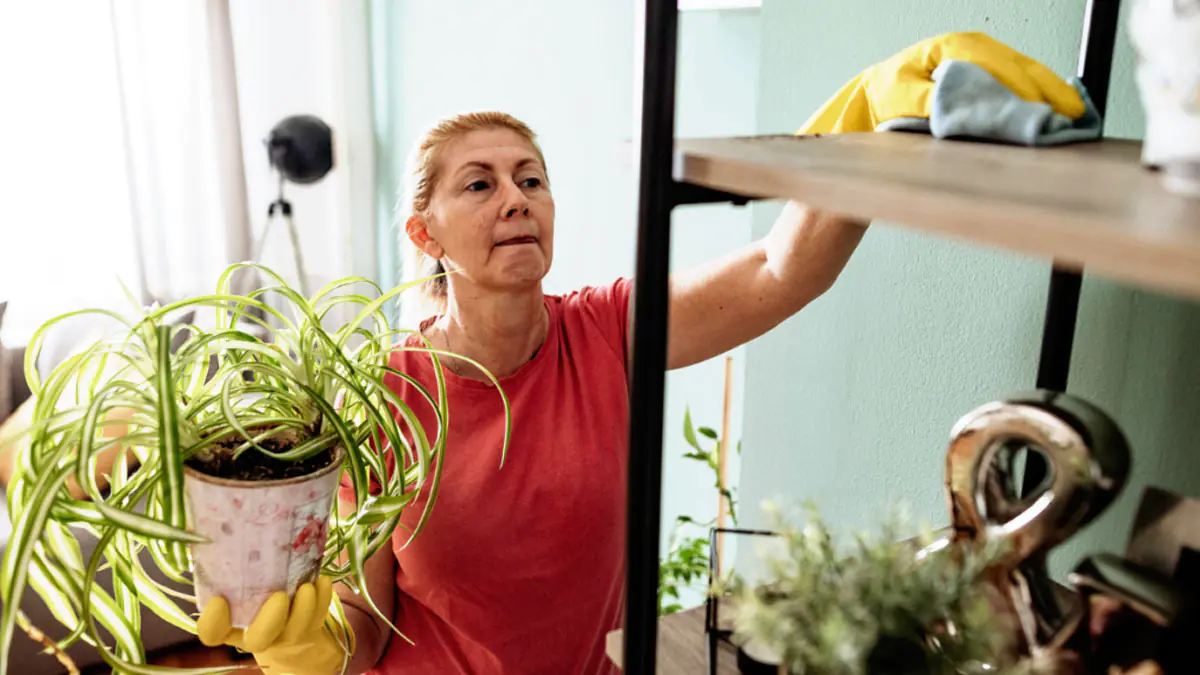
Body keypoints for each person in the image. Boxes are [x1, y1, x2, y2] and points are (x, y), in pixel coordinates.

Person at [196, 111, 868, 674]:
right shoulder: (384, 396)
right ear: (426, 234)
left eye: (531, 179)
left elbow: (777, 271)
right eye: (480, 184)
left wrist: (870, 139)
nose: (516, 198)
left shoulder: (607, 330)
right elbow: (364, 632)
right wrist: (309, 650)